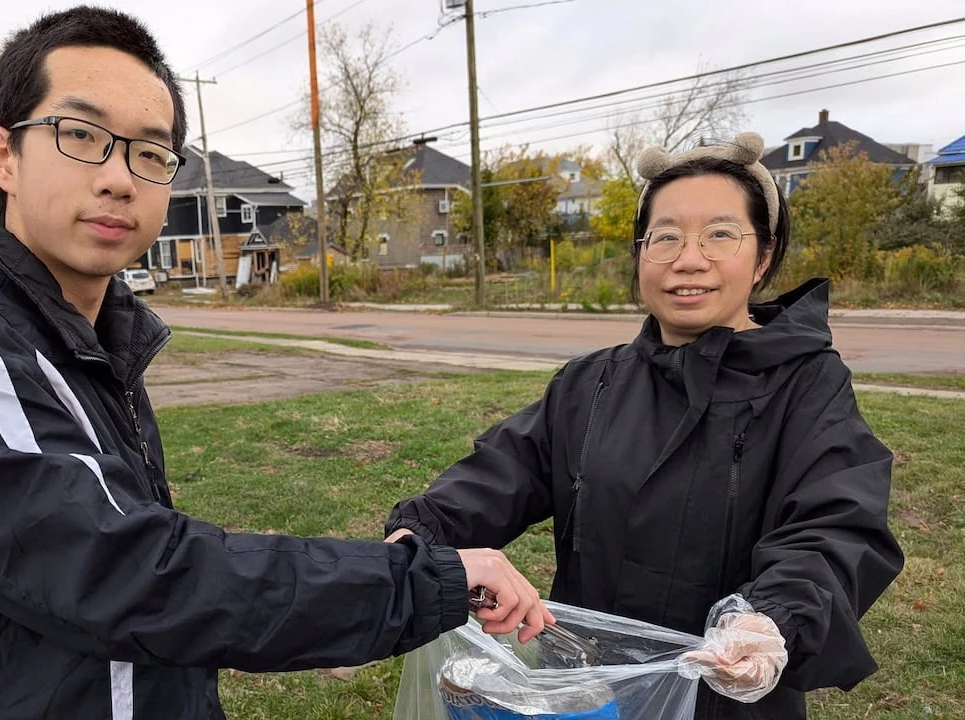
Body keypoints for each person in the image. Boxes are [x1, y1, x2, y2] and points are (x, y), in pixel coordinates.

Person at [0, 6, 554, 719]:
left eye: (150, 153)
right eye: (82, 135)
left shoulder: (84, 336)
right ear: (3, 154)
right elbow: (132, 576)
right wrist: (420, 581)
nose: (119, 178)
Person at [385, 133, 904, 719]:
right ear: (641, 254)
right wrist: (407, 548)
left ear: (764, 256)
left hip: (726, 701)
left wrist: (771, 622)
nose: (689, 258)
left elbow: (836, 527)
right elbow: (496, 477)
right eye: (666, 237)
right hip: (587, 692)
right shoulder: (590, 383)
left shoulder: (807, 386)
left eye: (720, 234)